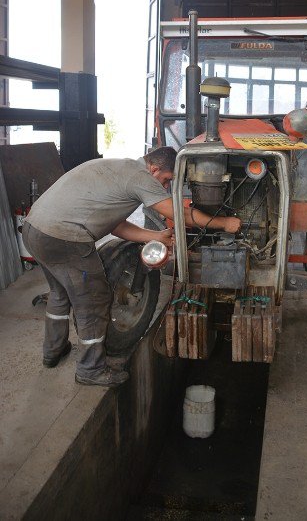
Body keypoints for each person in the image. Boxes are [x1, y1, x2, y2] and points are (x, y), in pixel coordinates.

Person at [23, 146, 241, 387]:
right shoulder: (140, 177)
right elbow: (183, 215)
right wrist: (224, 223)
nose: (166, 187)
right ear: (154, 168)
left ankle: (53, 351)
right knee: (94, 300)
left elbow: (116, 226)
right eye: (167, 180)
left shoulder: (120, 168)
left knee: (60, 292)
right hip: (64, 238)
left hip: (35, 230)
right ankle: (90, 369)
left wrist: (156, 236)